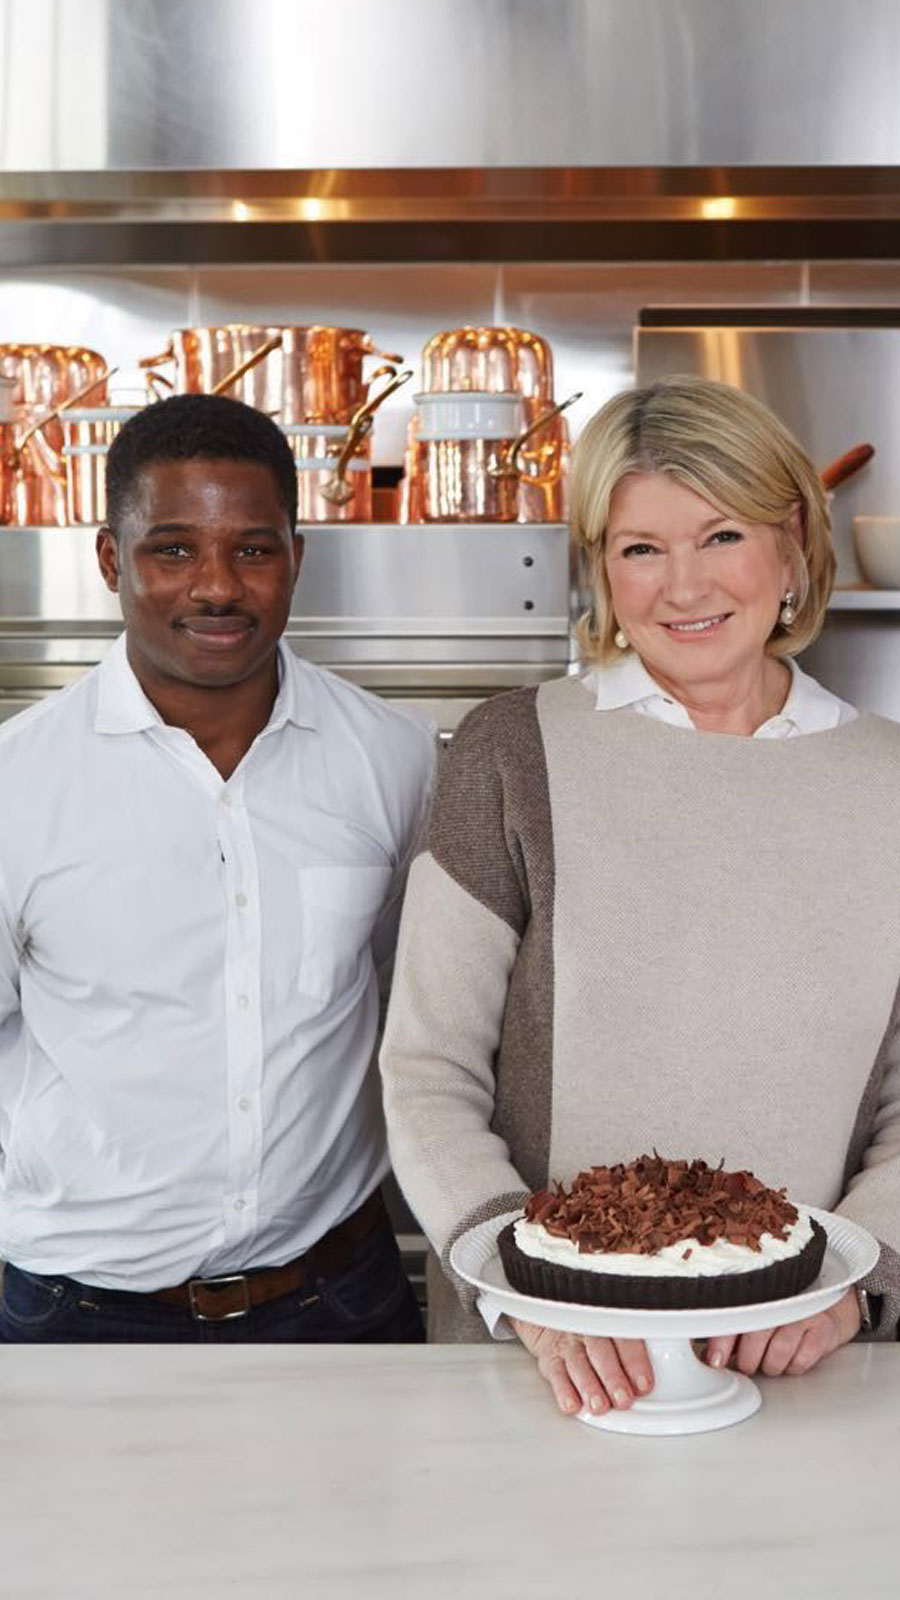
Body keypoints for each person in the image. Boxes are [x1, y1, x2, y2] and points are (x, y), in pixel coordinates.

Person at [380, 374, 900, 1417]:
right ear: (600, 569)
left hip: (807, 1367)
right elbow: (429, 1066)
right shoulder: (511, 753)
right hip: (550, 1368)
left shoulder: (889, 780)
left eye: (721, 536)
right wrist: (525, 1296)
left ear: (792, 543)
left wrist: (861, 1283)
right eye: (639, 549)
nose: (682, 586)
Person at [0, 393, 435, 1343]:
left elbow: (426, 1005)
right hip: (76, 1318)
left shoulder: (394, 759)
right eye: (172, 549)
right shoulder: (17, 784)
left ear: (296, 559)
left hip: (339, 1302)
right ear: (112, 559)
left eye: (252, 548)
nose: (217, 587)